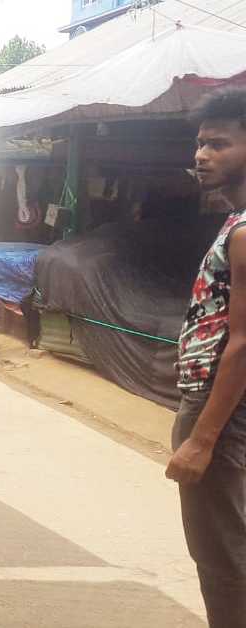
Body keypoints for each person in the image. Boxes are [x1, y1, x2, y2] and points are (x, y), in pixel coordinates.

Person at [167, 86, 246, 628]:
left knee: (222, 559)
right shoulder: (235, 220)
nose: (201, 155)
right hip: (225, 407)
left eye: (218, 144)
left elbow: (242, 341)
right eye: (199, 143)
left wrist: (202, 438)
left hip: (219, 407)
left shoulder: (244, 231)